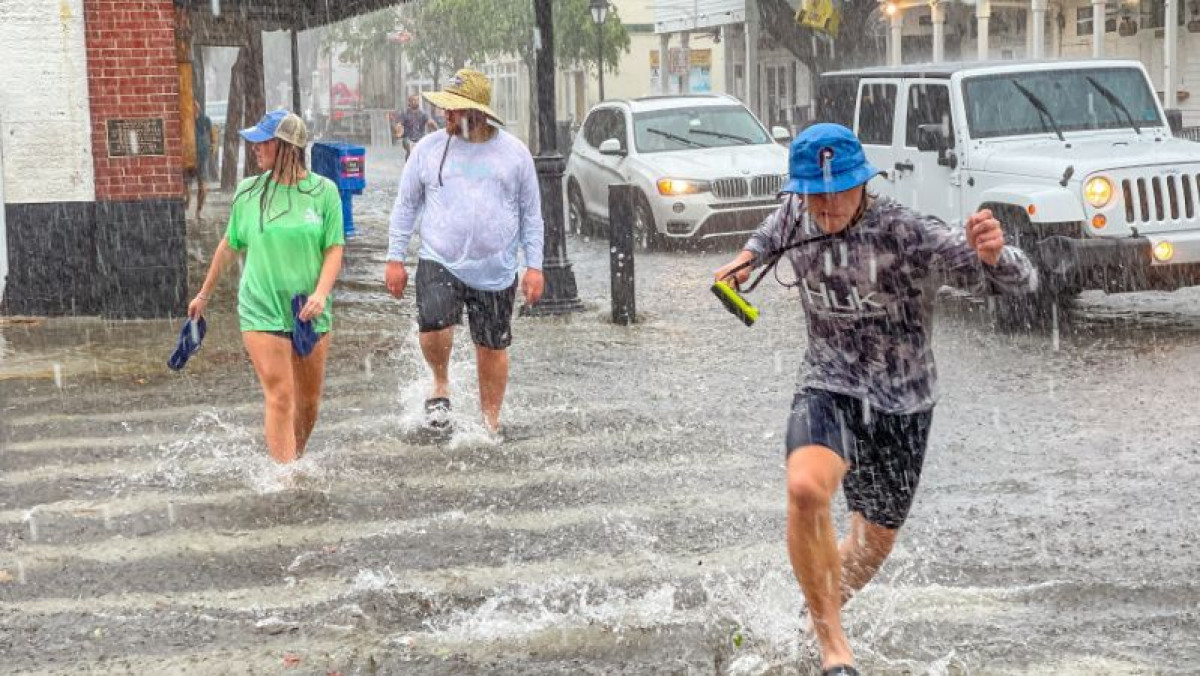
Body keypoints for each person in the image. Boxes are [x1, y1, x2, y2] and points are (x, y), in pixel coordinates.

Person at [713, 123, 1037, 676]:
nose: (825, 206)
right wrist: (746, 258)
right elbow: (773, 228)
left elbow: (1021, 282)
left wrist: (995, 255)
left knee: (871, 544)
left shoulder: (906, 232)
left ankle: (806, 621)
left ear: (863, 182)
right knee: (805, 488)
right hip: (829, 384)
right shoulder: (798, 212)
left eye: (837, 191)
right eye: (813, 194)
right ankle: (834, 650)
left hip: (902, 403)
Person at [384, 69, 544, 436]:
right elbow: (406, 205)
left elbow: (531, 214)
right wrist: (395, 258)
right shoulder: (428, 149)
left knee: (492, 347)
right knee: (434, 326)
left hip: (496, 268)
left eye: (454, 109)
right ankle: (440, 384)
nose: (446, 115)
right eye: (446, 108)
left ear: (478, 113)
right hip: (440, 258)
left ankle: (490, 422)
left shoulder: (514, 154)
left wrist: (534, 266)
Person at [188, 109, 346, 465]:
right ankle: (285, 476)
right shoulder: (249, 191)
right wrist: (204, 294)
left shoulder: (324, 192)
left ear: (287, 147)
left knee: (308, 403)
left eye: (263, 142)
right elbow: (230, 244)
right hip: (260, 306)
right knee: (280, 394)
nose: (255, 148)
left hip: (309, 309)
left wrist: (321, 294)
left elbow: (334, 249)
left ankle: (293, 458)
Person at [185, 100, 214, 218]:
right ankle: (187, 201)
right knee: (186, 186)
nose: (193, 110)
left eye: (195, 107)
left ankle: (198, 211)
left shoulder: (205, 120)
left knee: (203, 187)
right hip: (188, 157)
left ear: (198, 108)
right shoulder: (185, 120)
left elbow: (212, 133)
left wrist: (212, 145)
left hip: (202, 157)